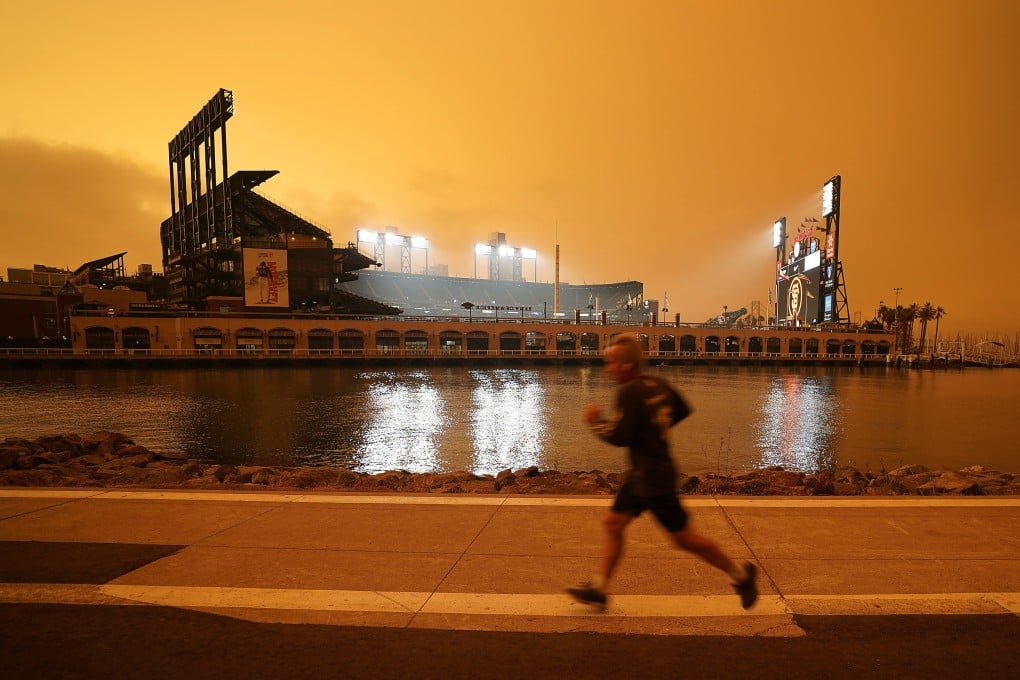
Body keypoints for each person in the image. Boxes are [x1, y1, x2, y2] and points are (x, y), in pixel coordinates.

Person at [567, 333, 759, 610]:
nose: (607, 369)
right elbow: (681, 409)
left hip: (654, 479)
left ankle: (741, 576)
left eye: (610, 363)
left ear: (624, 365)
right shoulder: (656, 383)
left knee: (684, 539)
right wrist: (658, 429)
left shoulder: (629, 391)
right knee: (612, 523)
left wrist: (595, 421)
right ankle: (598, 588)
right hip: (642, 475)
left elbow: (620, 436)